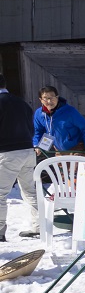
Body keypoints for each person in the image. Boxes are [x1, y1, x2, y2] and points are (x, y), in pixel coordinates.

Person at [0, 74, 39, 242]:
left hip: (7, 152)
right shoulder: (22, 103)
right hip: (27, 150)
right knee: (31, 191)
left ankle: (0, 231)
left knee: (0, 193)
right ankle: (39, 226)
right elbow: (31, 127)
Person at [33, 86, 85, 160]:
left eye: (52, 97)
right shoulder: (39, 114)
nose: (49, 101)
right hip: (59, 150)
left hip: (76, 147)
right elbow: (38, 131)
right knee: (62, 171)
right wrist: (36, 145)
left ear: (57, 97)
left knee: (76, 171)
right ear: (41, 100)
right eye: (46, 98)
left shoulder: (70, 111)